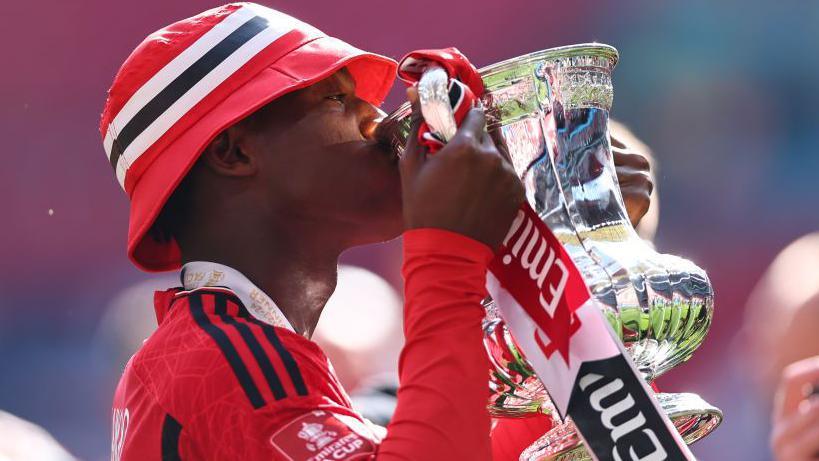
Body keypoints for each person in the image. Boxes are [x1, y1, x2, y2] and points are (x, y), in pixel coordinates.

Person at [100, 3, 653, 459]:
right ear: (234, 150)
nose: (378, 119)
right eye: (337, 98)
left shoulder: (229, 346)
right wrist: (448, 252)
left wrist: (563, 243)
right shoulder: (221, 356)